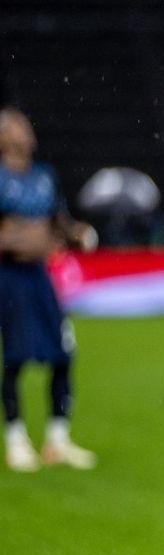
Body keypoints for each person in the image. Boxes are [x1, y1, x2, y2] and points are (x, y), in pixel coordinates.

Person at [0, 108, 97, 472]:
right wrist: (20, 237)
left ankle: (57, 440)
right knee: (15, 357)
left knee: (63, 353)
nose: (22, 130)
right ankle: (16, 441)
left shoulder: (44, 176)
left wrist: (76, 234)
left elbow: (58, 223)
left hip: (40, 275)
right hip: (9, 275)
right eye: (13, 126)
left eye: (23, 125)